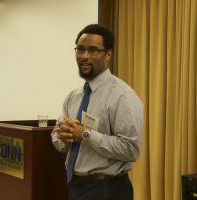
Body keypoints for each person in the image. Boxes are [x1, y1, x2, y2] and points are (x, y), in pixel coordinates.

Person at [51, 24, 143, 200]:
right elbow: (57, 137)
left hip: (108, 189)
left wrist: (85, 134)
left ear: (108, 54)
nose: (84, 56)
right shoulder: (73, 96)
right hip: (75, 186)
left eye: (93, 50)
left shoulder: (123, 96)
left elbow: (131, 149)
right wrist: (62, 135)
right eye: (80, 49)